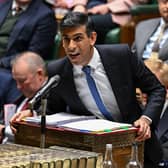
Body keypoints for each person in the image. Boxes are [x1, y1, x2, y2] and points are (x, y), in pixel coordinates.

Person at [11, 12, 166, 168]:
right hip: (94, 152)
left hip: (137, 146)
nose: (71, 46)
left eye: (78, 38)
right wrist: (32, 113)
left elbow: (156, 89)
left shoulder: (121, 56)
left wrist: (146, 118)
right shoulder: (58, 70)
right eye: (66, 39)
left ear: (92, 38)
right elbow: (53, 109)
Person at [0, 51, 50, 143]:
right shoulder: (19, 97)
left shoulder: (51, 102)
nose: (18, 86)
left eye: (22, 81)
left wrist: (4, 131)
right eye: (16, 81)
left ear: (40, 74)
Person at [0, 0, 57, 69]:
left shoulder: (45, 15)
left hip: (11, 68)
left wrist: (2, 62)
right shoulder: (3, 6)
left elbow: (33, 53)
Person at [72, 0, 149, 44]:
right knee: (69, 21)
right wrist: (79, 5)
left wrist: (108, 7)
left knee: (82, 24)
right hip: (91, 6)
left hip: (120, 12)